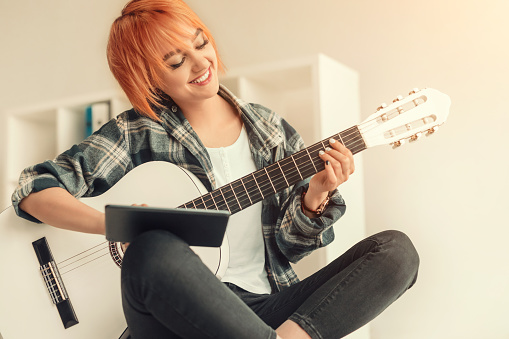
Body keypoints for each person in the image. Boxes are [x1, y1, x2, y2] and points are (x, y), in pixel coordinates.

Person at [12, 0, 419, 338]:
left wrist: (315, 199)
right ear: (148, 77)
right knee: (153, 248)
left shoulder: (270, 130)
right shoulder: (137, 132)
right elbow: (33, 188)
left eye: (200, 43)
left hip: (266, 308)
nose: (200, 63)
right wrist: (117, 226)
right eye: (176, 62)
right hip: (175, 319)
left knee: (396, 251)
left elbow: (289, 250)